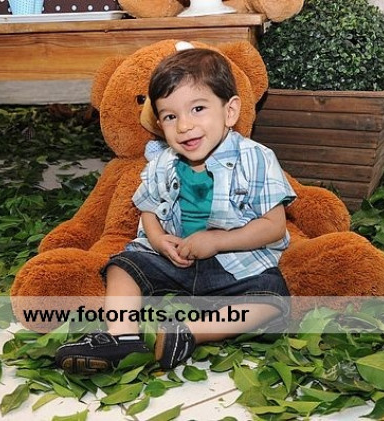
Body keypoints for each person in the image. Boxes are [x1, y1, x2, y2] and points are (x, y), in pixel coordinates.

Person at [55, 47, 296, 374]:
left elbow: (274, 226)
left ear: (230, 111)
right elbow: (148, 209)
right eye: (170, 116)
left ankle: (188, 332)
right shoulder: (162, 163)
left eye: (198, 108)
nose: (184, 126)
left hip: (237, 265)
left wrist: (217, 241)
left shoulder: (257, 158)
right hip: (174, 260)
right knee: (123, 266)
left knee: (272, 298)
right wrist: (157, 240)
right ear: (158, 122)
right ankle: (121, 336)